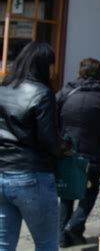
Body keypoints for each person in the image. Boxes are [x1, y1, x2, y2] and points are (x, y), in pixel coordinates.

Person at [57, 58, 100, 247]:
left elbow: (54, 114)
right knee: (91, 190)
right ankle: (74, 225)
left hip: (67, 149)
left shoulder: (66, 91)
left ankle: (63, 236)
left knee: (67, 193)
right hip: (93, 151)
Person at [0, 42, 63, 250]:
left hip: (2, 172)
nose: (54, 69)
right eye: (52, 64)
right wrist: (65, 146)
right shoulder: (43, 93)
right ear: (43, 64)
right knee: (46, 243)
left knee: (4, 243)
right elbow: (49, 141)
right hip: (31, 174)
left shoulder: (3, 88)